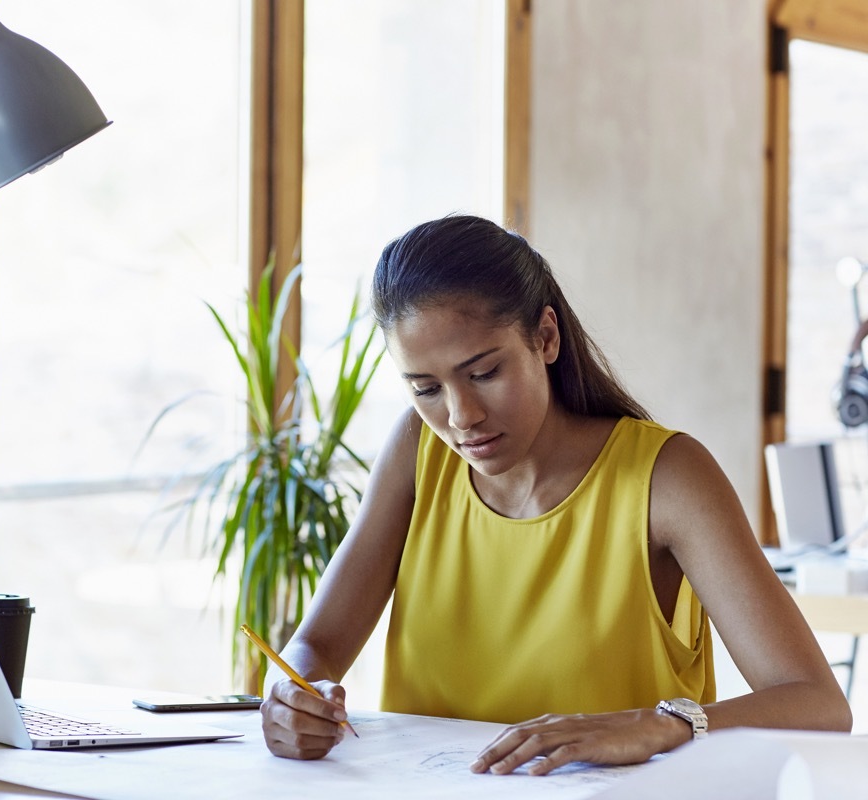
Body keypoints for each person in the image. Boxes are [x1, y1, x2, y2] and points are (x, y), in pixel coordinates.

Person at [257, 214, 852, 775]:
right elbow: (316, 644)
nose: (460, 416)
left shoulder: (667, 477)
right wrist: (292, 696)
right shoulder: (418, 450)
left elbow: (820, 705)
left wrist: (662, 725)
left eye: (484, 372)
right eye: (426, 387)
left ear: (545, 337)